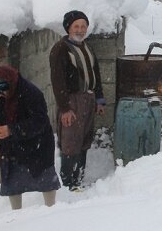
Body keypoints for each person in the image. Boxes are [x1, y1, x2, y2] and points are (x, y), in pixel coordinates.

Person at [0, 65, 60, 210]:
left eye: (0, 91)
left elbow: (40, 121)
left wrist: (12, 130)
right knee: (13, 183)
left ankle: (51, 212)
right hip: (11, 148)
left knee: (45, 180)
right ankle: (16, 217)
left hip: (37, 145)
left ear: (9, 85)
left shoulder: (30, 93)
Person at [49, 10, 105, 191]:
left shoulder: (86, 47)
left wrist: (99, 99)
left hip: (88, 99)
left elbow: (95, 74)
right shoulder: (61, 49)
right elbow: (58, 81)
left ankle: (78, 179)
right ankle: (68, 184)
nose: (80, 30)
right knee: (70, 142)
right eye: (76, 26)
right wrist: (65, 108)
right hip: (71, 101)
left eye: (83, 26)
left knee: (84, 140)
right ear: (68, 28)